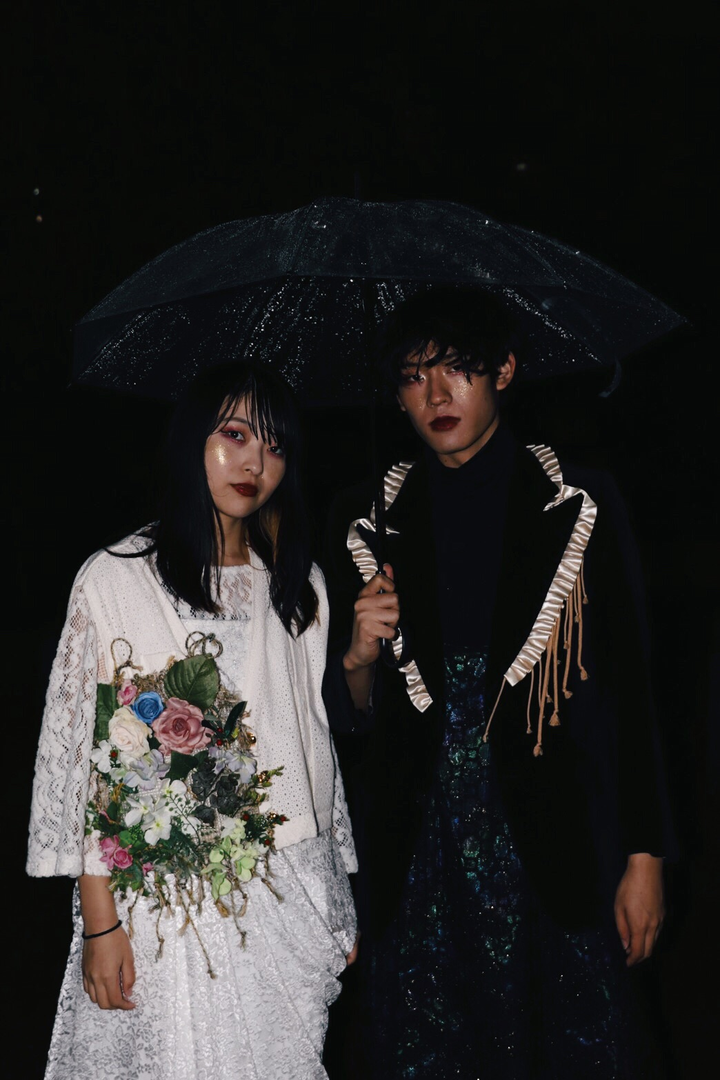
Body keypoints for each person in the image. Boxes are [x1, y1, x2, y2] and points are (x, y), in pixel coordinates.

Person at [322, 288, 673, 1079]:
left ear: (505, 372)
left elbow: (630, 692)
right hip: (418, 853)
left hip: (553, 839)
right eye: (413, 377)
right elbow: (346, 726)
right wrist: (356, 659)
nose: (436, 395)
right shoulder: (361, 517)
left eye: (458, 369)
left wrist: (645, 856)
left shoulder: (578, 502)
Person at [28, 362, 358, 1080]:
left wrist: (335, 889)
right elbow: (89, 760)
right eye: (234, 435)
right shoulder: (116, 579)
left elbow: (313, 748)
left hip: (285, 891)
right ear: (191, 440)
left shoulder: (299, 586)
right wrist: (100, 922)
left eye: (275, 446)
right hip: (162, 903)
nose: (254, 463)